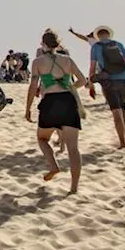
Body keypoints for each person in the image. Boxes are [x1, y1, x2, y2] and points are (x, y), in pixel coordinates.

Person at [26, 30, 88, 193]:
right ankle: (74, 188)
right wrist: (69, 86)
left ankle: (53, 165)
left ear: (43, 44)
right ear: (58, 44)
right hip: (68, 101)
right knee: (73, 148)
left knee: (42, 138)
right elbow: (83, 80)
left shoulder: (37, 62)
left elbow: (33, 86)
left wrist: (28, 108)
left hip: (50, 102)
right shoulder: (67, 60)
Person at [87, 25, 125, 149]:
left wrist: (91, 85)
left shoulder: (96, 47)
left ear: (98, 36)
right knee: (123, 107)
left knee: (116, 111)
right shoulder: (118, 44)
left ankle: (122, 142)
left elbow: (92, 67)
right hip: (124, 80)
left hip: (109, 81)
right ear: (108, 34)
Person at [67, 27, 100, 99]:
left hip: (97, 59)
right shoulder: (94, 40)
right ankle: (91, 88)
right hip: (98, 60)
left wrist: (73, 33)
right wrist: (73, 33)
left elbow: (82, 37)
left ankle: (91, 87)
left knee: (94, 75)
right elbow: (81, 37)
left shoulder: (93, 40)